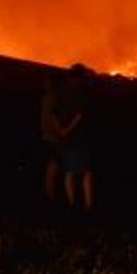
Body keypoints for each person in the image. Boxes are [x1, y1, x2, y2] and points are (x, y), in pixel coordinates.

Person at [52, 64, 95, 212]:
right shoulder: (81, 92)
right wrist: (69, 129)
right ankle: (88, 206)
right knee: (86, 172)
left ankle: (71, 205)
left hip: (66, 139)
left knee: (69, 171)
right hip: (80, 138)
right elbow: (80, 115)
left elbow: (54, 114)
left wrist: (61, 130)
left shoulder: (60, 91)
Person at [39, 73, 62, 204]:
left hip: (50, 138)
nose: (44, 84)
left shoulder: (50, 99)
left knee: (51, 169)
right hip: (50, 138)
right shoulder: (49, 99)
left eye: (46, 82)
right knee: (50, 169)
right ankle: (49, 198)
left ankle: (50, 197)